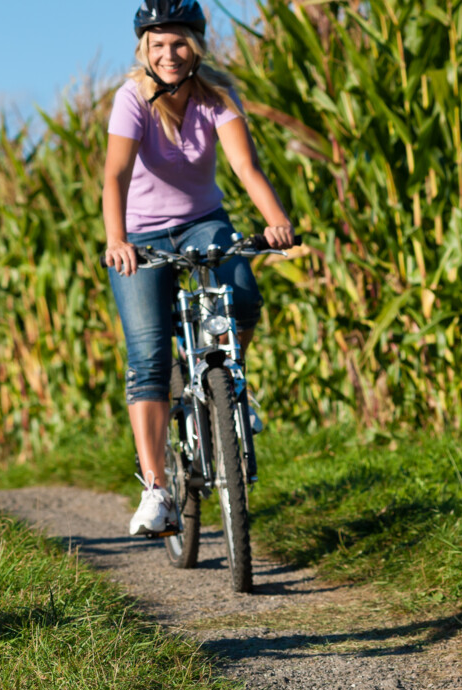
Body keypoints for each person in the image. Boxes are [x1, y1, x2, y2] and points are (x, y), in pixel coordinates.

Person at [102, 0, 294, 536]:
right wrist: (117, 240)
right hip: (140, 235)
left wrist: (277, 222)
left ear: (197, 46)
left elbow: (245, 168)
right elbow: (115, 175)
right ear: (144, 49)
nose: (169, 54)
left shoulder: (217, 96)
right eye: (158, 45)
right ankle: (156, 492)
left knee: (243, 297)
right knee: (148, 356)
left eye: (179, 43)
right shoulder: (131, 99)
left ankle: (230, 391)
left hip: (203, 222)